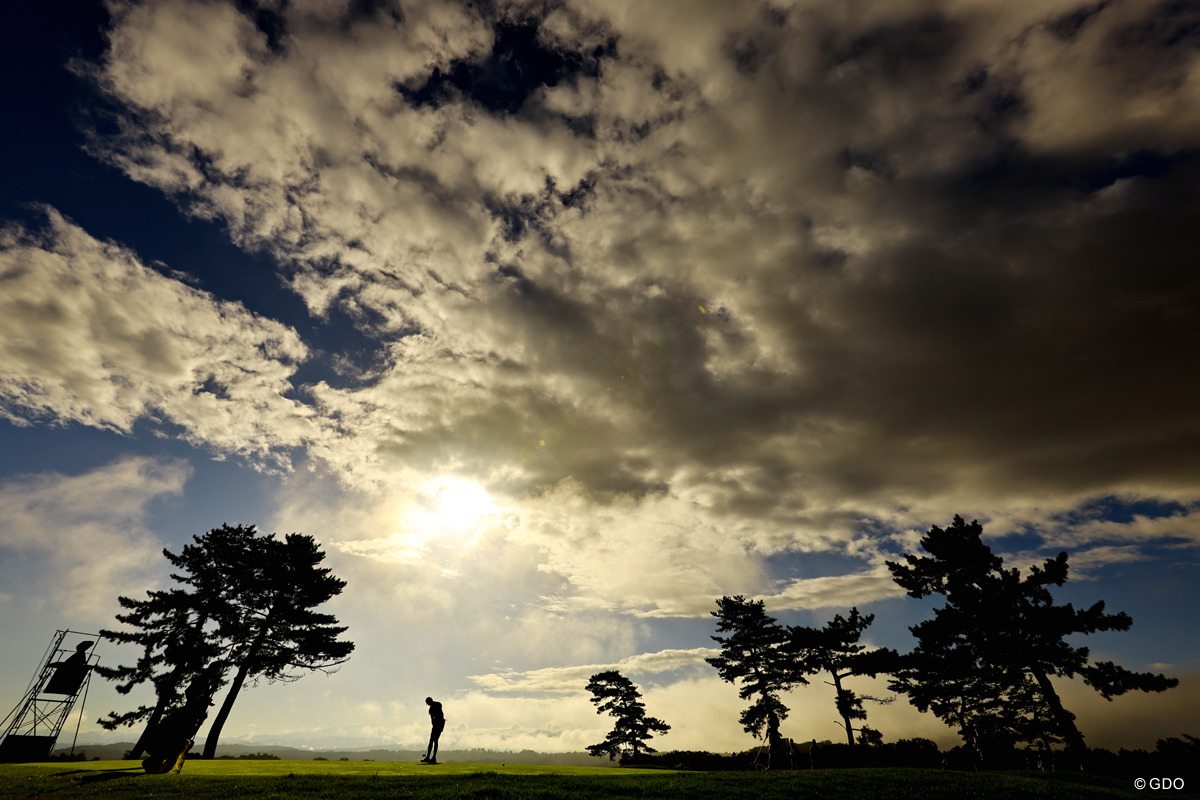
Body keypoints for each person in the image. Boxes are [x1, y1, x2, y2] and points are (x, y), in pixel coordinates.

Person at [421, 696, 444, 764]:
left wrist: (435, 723)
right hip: (436, 725)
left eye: (428, 703)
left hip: (439, 724)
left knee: (435, 740)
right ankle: (428, 757)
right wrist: (434, 724)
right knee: (431, 740)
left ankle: (433, 757)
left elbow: (438, 714)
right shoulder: (431, 709)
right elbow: (432, 719)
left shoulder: (437, 704)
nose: (428, 704)